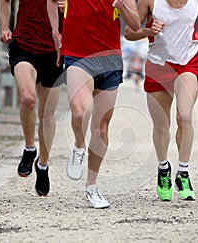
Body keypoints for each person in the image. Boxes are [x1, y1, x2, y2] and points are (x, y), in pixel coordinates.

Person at [47, 0, 140, 208]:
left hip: (110, 59)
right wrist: (56, 32)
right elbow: (51, 2)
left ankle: (91, 186)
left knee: (101, 127)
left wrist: (123, 5)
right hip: (78, 55)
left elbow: (135, 25)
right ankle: (79, 145)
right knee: (80, 111)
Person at [124, 0, 198, 201]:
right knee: (161, 126)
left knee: (184, 116)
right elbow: (128, 32)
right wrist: (148, 32)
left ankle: (183, 172)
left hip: (187, 64)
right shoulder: (150, 2)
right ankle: (163, 169)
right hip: (158, 66)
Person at [0, 0, 63, 196]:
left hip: (55, 50)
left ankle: (42, 165)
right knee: (28, 98)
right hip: (24, 45)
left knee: (47, 115)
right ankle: (29, 148)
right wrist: (4, 27)